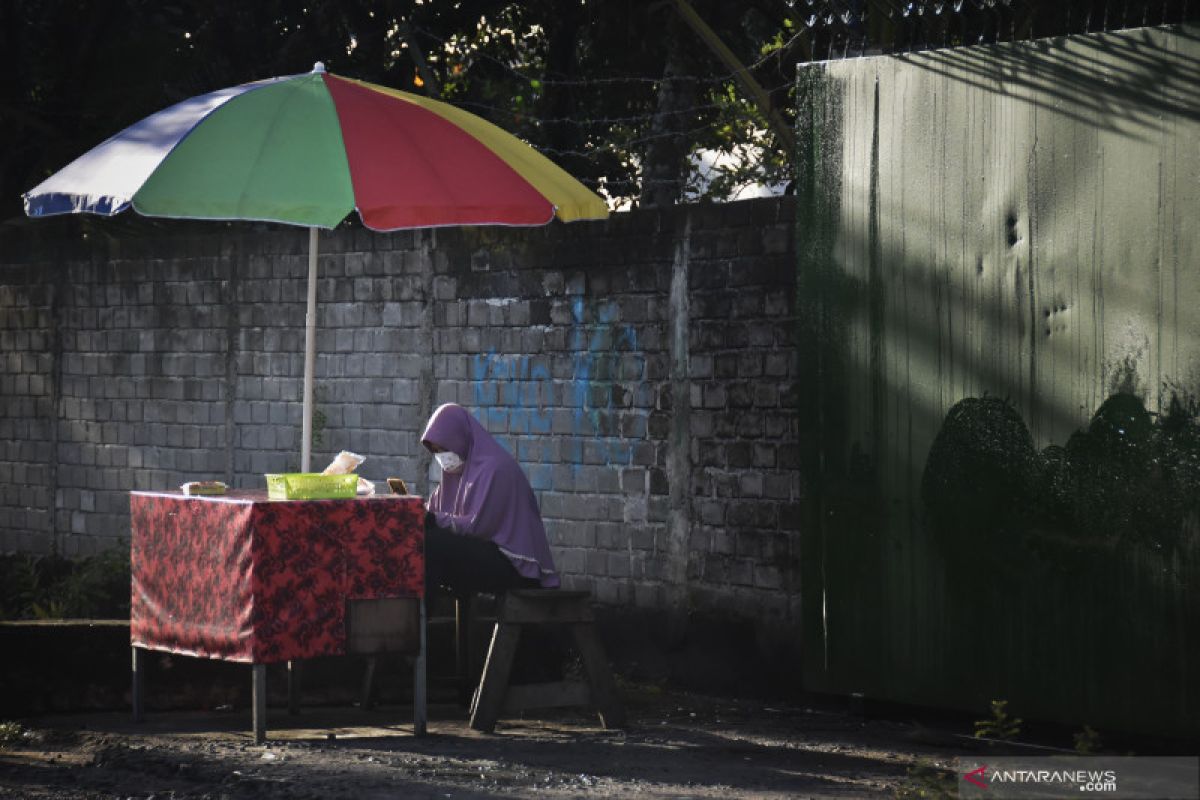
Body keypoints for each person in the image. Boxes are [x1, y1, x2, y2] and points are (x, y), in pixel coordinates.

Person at [421, 403, 560, 595]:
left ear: (459, 437)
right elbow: (433, 509)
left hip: (515, 566)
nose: (442, 457)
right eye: (436, 451)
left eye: (443, 448)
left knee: (432, 545)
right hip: (487, 555)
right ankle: (417, 616)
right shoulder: (455, 474)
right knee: (418, 541)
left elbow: (477, 526)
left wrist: (433, 519)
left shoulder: (495, 469)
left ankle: (420, 622)